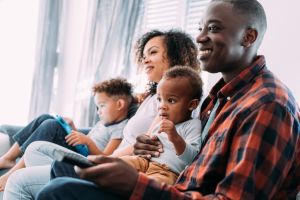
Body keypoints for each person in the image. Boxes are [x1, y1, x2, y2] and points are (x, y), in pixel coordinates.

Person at [36, 0, 300, 199]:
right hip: (172, 186)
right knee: (64, 169)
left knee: (60, 190)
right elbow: (190, 156)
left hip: (173, 191)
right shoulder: (219, 97)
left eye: (213, 28)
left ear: (248, 36)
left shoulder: (267, 105)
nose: (199, 37)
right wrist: (145, 152)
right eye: (200, 28)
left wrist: (137, 184)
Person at [3, 29, 200, 199]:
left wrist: (105, 159)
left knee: (20, 180)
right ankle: (21, 167)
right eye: (144, 54)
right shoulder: (151, 98)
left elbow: (155, 146)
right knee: (35, 148)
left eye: (153, 52)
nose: (145, 59)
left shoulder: (180, 109)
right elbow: (137, 129)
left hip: (126, 165)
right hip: (121, 161)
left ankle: (11, 175)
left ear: (176, 56)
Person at [0, 77, 134, 191]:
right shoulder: (104, 123)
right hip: (80, 150)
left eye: (102, 105)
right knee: (45, 118)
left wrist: (88, 142)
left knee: (51, 126)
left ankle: (14, 172)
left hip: (83, 158)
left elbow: (106, 157)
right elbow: (87, 139)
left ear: (120, 104)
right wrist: (73, 128)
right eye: (97, 107)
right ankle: (8, 158)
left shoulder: (120, 128)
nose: (98, 111)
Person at [121, 66, 202, 185]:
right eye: (159, 99)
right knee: (117, 164)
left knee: (153, 186)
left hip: (166, 171)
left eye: (171, 100)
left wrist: (175, 137)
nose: (161, 106)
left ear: (192, 105)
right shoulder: (160, 122)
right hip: (143, 161)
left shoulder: (192, 124)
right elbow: (148, 145)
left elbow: (192, 158)